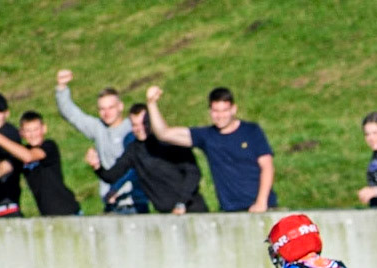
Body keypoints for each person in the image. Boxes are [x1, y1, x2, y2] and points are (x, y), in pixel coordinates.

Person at [145, 85, 276, 212]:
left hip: (261, 207)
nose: (220, 116)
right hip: (230, 210)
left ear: (233, 109)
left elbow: (267, 166)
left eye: (224, 110)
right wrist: (151, 104)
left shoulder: (251, 131)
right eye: (215, 111)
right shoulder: (207, 136)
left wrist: (261, 202)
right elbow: (164, 134)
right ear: (210, 111)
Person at [88, 103, 207, 213]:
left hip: (191, 209)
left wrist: (181, 203)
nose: (140, 129)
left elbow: (193, 173)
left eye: (143, 123)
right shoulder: (134, 150)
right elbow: (111, 176)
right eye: (135, 125)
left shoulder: (170, 143)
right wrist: (97, 166)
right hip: (166, 215)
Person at [55, 69, 138, 213]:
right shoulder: (98, 128)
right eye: (102, 109)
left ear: (120, 107)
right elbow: (73, 115)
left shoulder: (133, 128)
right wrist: (62, 89)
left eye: (111, 107)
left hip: (133, 202)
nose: (106, 113)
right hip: (110, 203)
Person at [0, 110, 80, 216]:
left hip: (69, 211)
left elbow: (29, 156)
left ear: (44, 129)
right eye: (28, 131)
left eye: (36, 129)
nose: (32, 135)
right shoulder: (21, 154)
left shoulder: (49, 146)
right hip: (48, 215)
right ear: (21, 133)